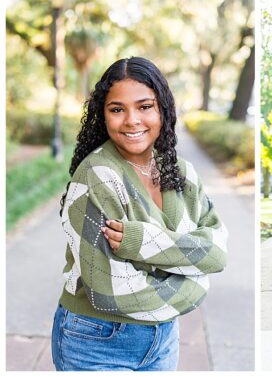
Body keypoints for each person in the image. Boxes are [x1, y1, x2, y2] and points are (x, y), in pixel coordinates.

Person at [52, 57, 228, 371]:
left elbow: (216, 253)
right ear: (102, 116)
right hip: (96, 341)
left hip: (163, 341)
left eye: (145, 106)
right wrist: (196, 281)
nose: (132, 120)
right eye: (117, 109)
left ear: (163, 109)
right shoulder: (97, 176)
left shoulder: (180, 173)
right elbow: (112, 292)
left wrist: (143, 241)